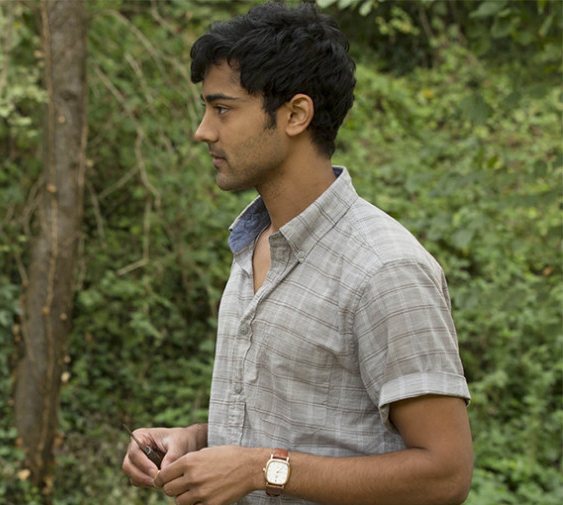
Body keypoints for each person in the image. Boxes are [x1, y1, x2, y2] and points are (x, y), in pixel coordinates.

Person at [122, 3, 473, 504]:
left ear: (295, 114)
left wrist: (259, 470)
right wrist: (197, 441)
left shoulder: (385, 269)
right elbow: (305, 427)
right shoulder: (253, 242)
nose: (203, 130)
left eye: (222, 109)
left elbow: (445, 475)